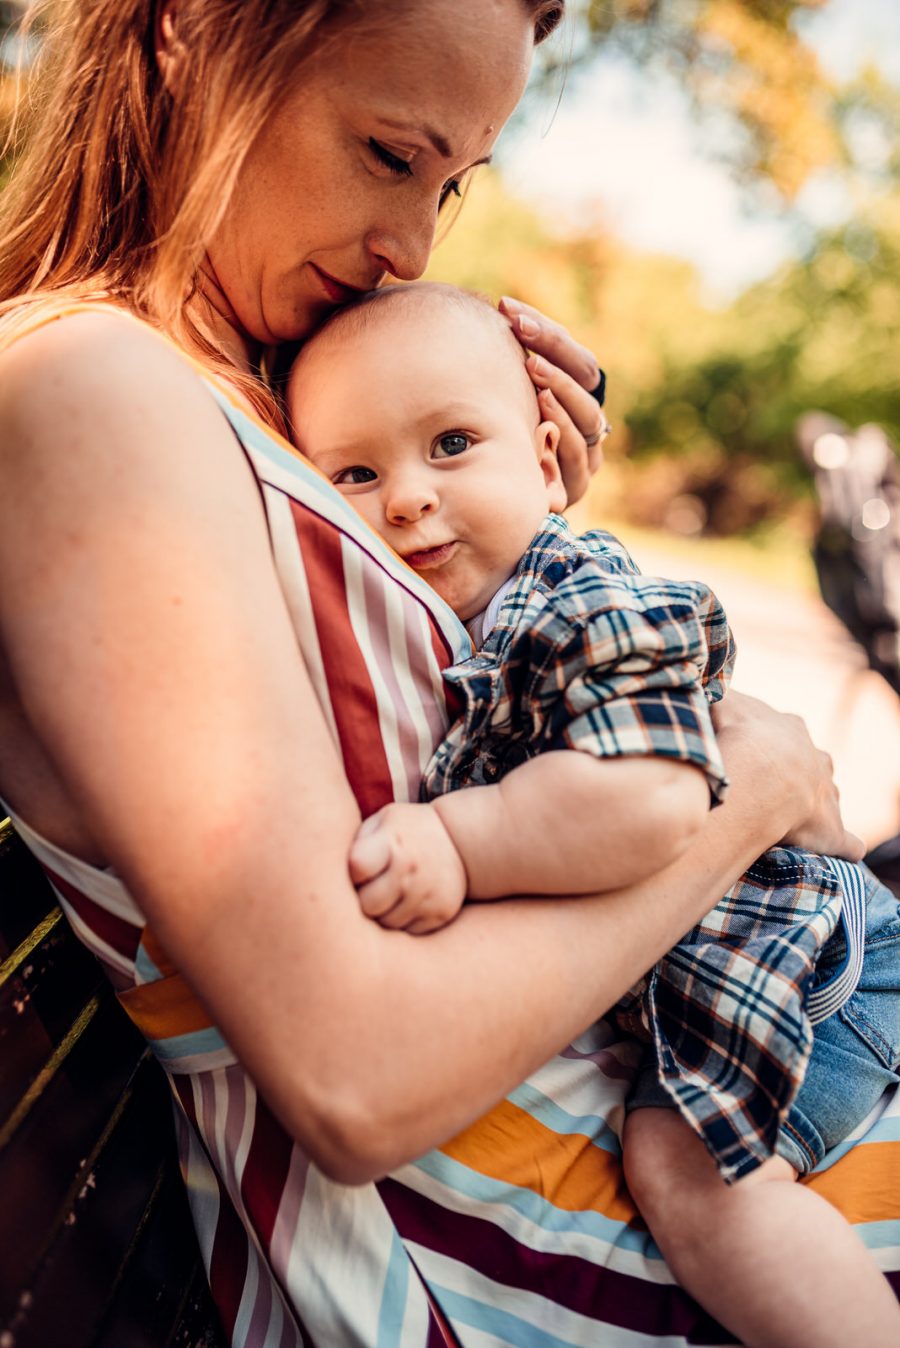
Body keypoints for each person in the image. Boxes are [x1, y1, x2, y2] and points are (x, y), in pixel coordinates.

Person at [0, 2, 873, 1345]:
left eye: (453, 182)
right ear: (191, 27)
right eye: (388, 153)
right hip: (604, 1258)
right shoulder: (89, 388)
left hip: (715, 1140)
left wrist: (512, 524)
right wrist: (743, 793)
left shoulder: (248, 389)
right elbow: (354, 1079)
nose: (412, 243)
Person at [288, 280, 900, 1348]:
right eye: (355, 472)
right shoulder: (467, 614)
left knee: (692, 1181)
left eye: (451, 443)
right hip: (761, 963)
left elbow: (648, 799)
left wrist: (460, 839)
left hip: (821, 973)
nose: (405, 499)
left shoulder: (577, 599)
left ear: (545, 455)